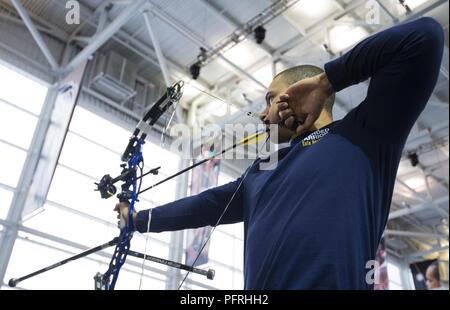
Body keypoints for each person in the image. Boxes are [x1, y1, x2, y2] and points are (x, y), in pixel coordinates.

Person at [114, 17, 444, 289]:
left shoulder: (365, 135)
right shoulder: (259, 172)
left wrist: (327, 82)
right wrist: (137, 220)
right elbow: (201, 208)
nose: (262, 114)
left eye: (270, 100)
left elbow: (425, 37)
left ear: (298, 94)